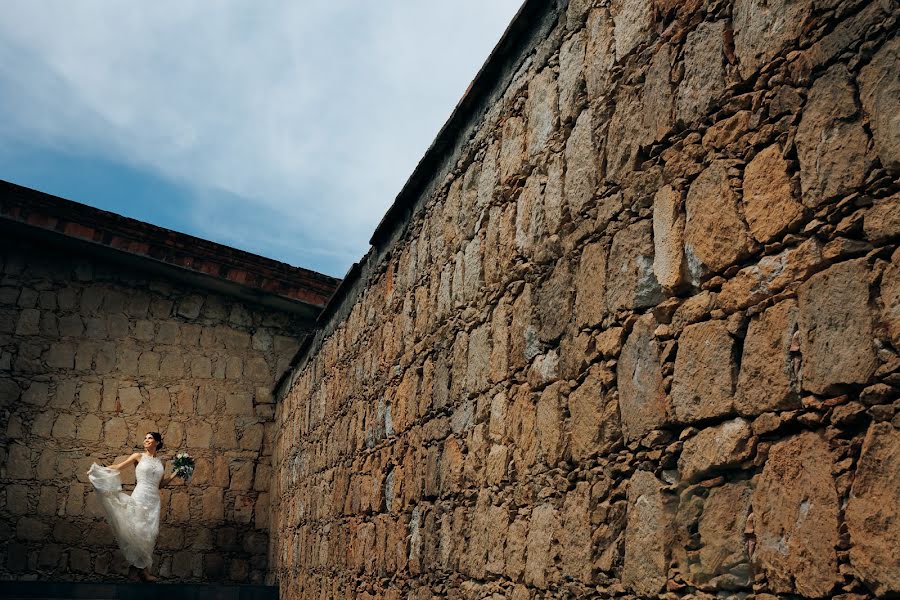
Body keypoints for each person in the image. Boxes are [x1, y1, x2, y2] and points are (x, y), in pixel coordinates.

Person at [87, 432, 178, 582]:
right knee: (138, 531)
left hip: (154, 500)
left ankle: (136, 571)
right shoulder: (138, 456)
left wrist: (175, 474)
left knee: (151, 533)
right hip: (140, 496)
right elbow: (118, 466)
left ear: (157, 442)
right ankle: (142, 571)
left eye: (149, 438)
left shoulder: (161, 463)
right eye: (145, 438)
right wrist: (98, 471)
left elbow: (160, 484)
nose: (146, 440)